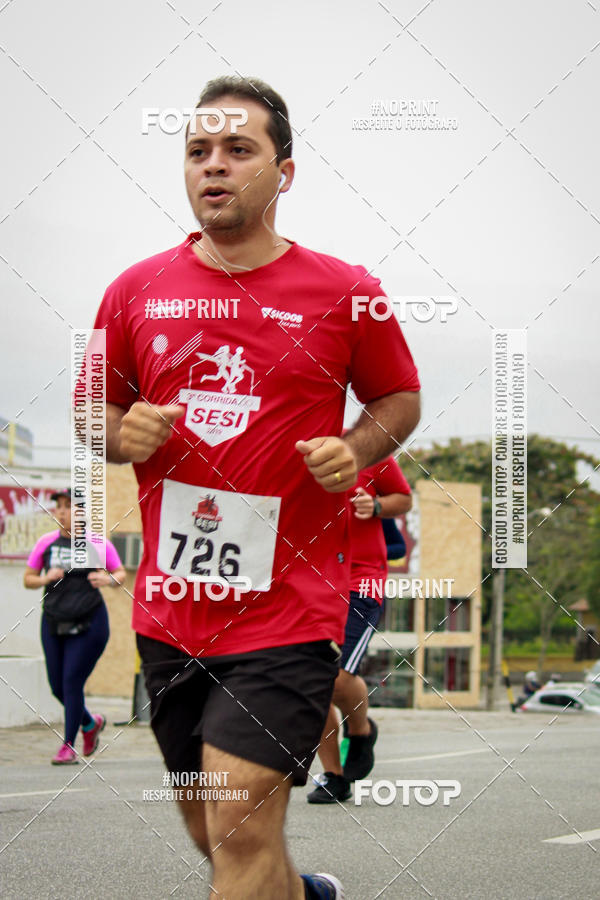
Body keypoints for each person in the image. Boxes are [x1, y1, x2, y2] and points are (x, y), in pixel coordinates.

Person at [95, 76, 420, 900]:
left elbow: (398, 397)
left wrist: (354, 448)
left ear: (284, 172)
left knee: (239, 820)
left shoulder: (347, 291)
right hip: (172, 613)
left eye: (239, 149)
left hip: (289, 610)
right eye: (198, 150)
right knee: (218, 836)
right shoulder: (132, 290)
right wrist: (117, 434)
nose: (214, 165)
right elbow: (93, 407)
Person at [307, 457, 412, 803]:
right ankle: (334, 776)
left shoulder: (368, 451)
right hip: (310, 583)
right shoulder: (287, 455)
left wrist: (376, 506)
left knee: (337, 677)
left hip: (361, 582)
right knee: (311, 682)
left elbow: (402, 504)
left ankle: (360, 731)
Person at [24, 489, 125, 764]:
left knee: (71, 681)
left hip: (90, 622)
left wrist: (108, 580)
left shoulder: (97, 543)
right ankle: (90, 723)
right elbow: (28, 578)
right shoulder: (46, 542)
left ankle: (68, 745)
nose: (61, 511)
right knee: (57, 685)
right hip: (53, 620)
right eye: (59, 506)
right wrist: (45, 579)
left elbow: (120, 573)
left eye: (68, 506)